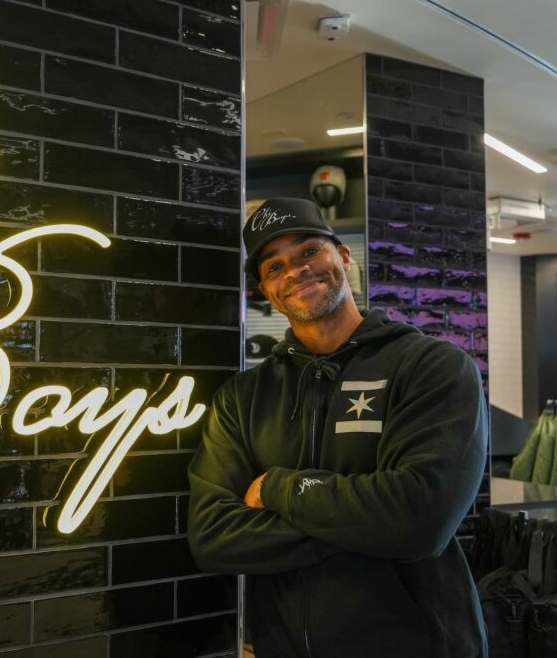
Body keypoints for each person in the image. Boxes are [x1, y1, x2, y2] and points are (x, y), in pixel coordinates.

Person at [188, 197, 488, 657]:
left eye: (309, 251)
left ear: (343, 257)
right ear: (266, 291)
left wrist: (279, 490)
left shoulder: (432, 367)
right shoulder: (244, 397)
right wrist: (366, 524)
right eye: (275, 266)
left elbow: (420, 520)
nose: (295, 271)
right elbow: (212, 538)